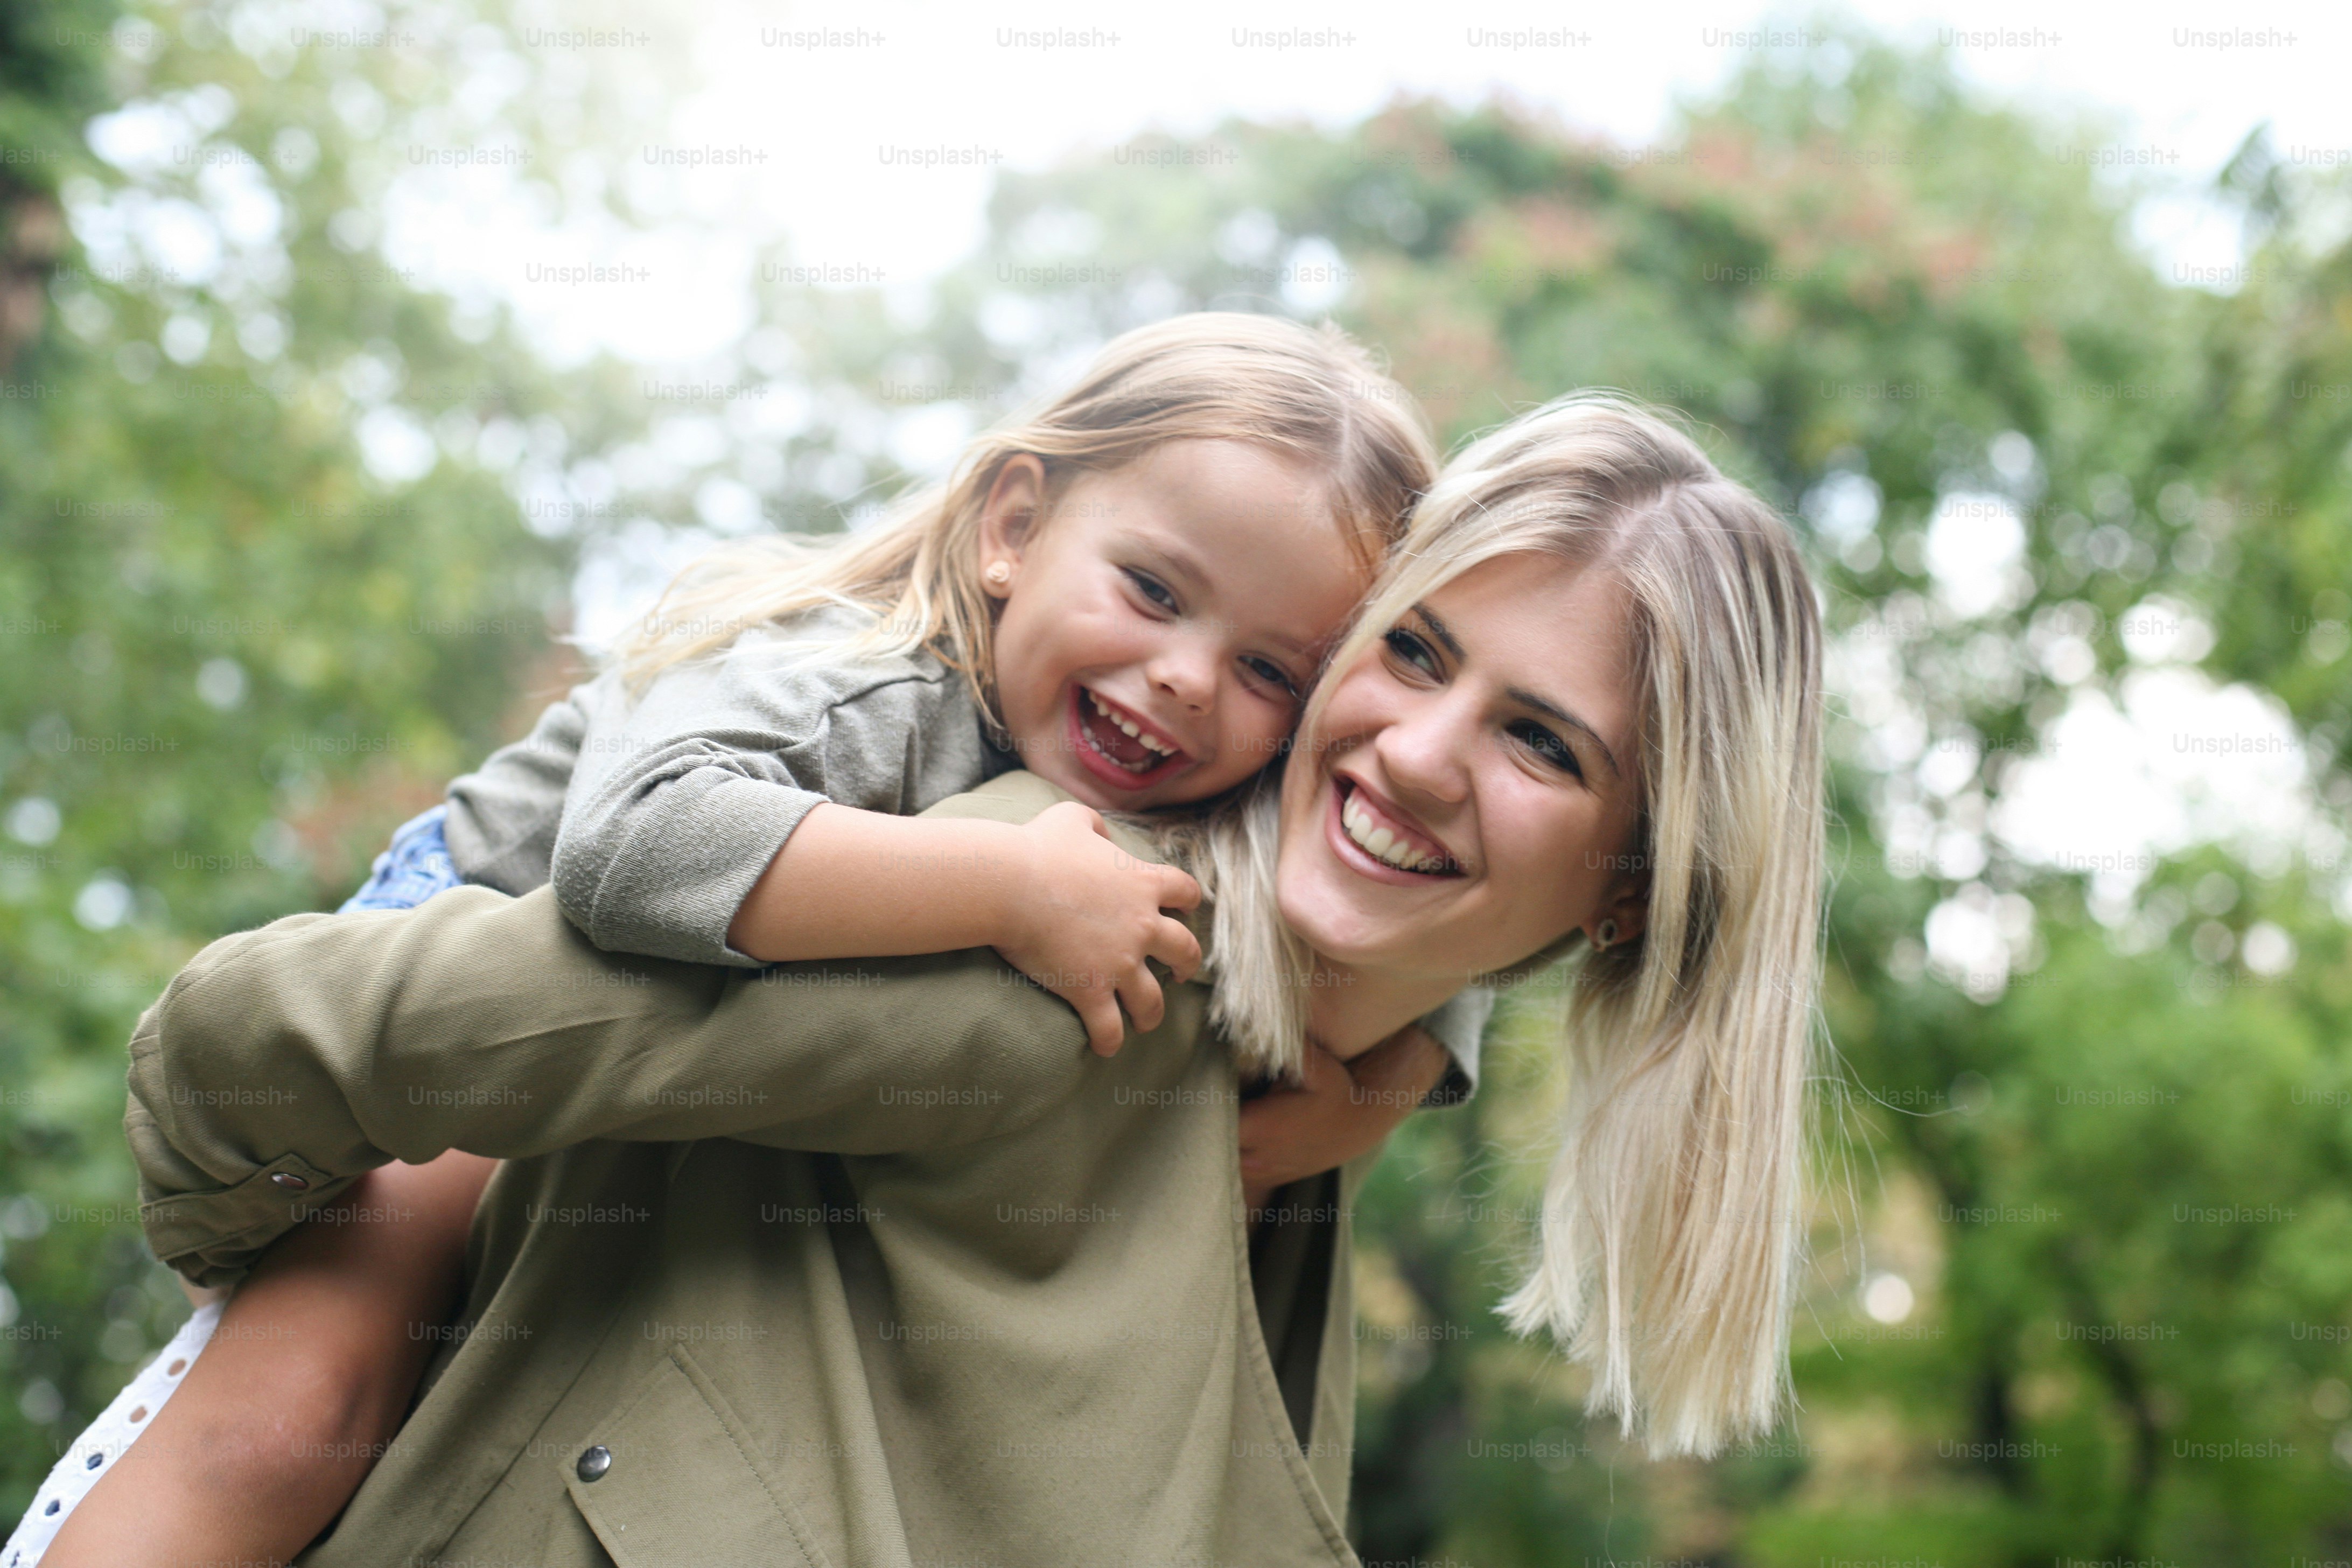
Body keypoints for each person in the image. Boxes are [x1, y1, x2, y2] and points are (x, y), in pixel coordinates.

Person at [43, 395, 1824, 1566]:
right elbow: (268, 1036)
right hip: (522, 874)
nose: (1418, 754)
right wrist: (292, 1229)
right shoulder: (1042, 929)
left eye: (1540, 741)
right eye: (1414, 654)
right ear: (1014, 527)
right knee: (288, 1410)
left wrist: (1399, 1075)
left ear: (1634, 896)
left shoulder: (1322, 1089)